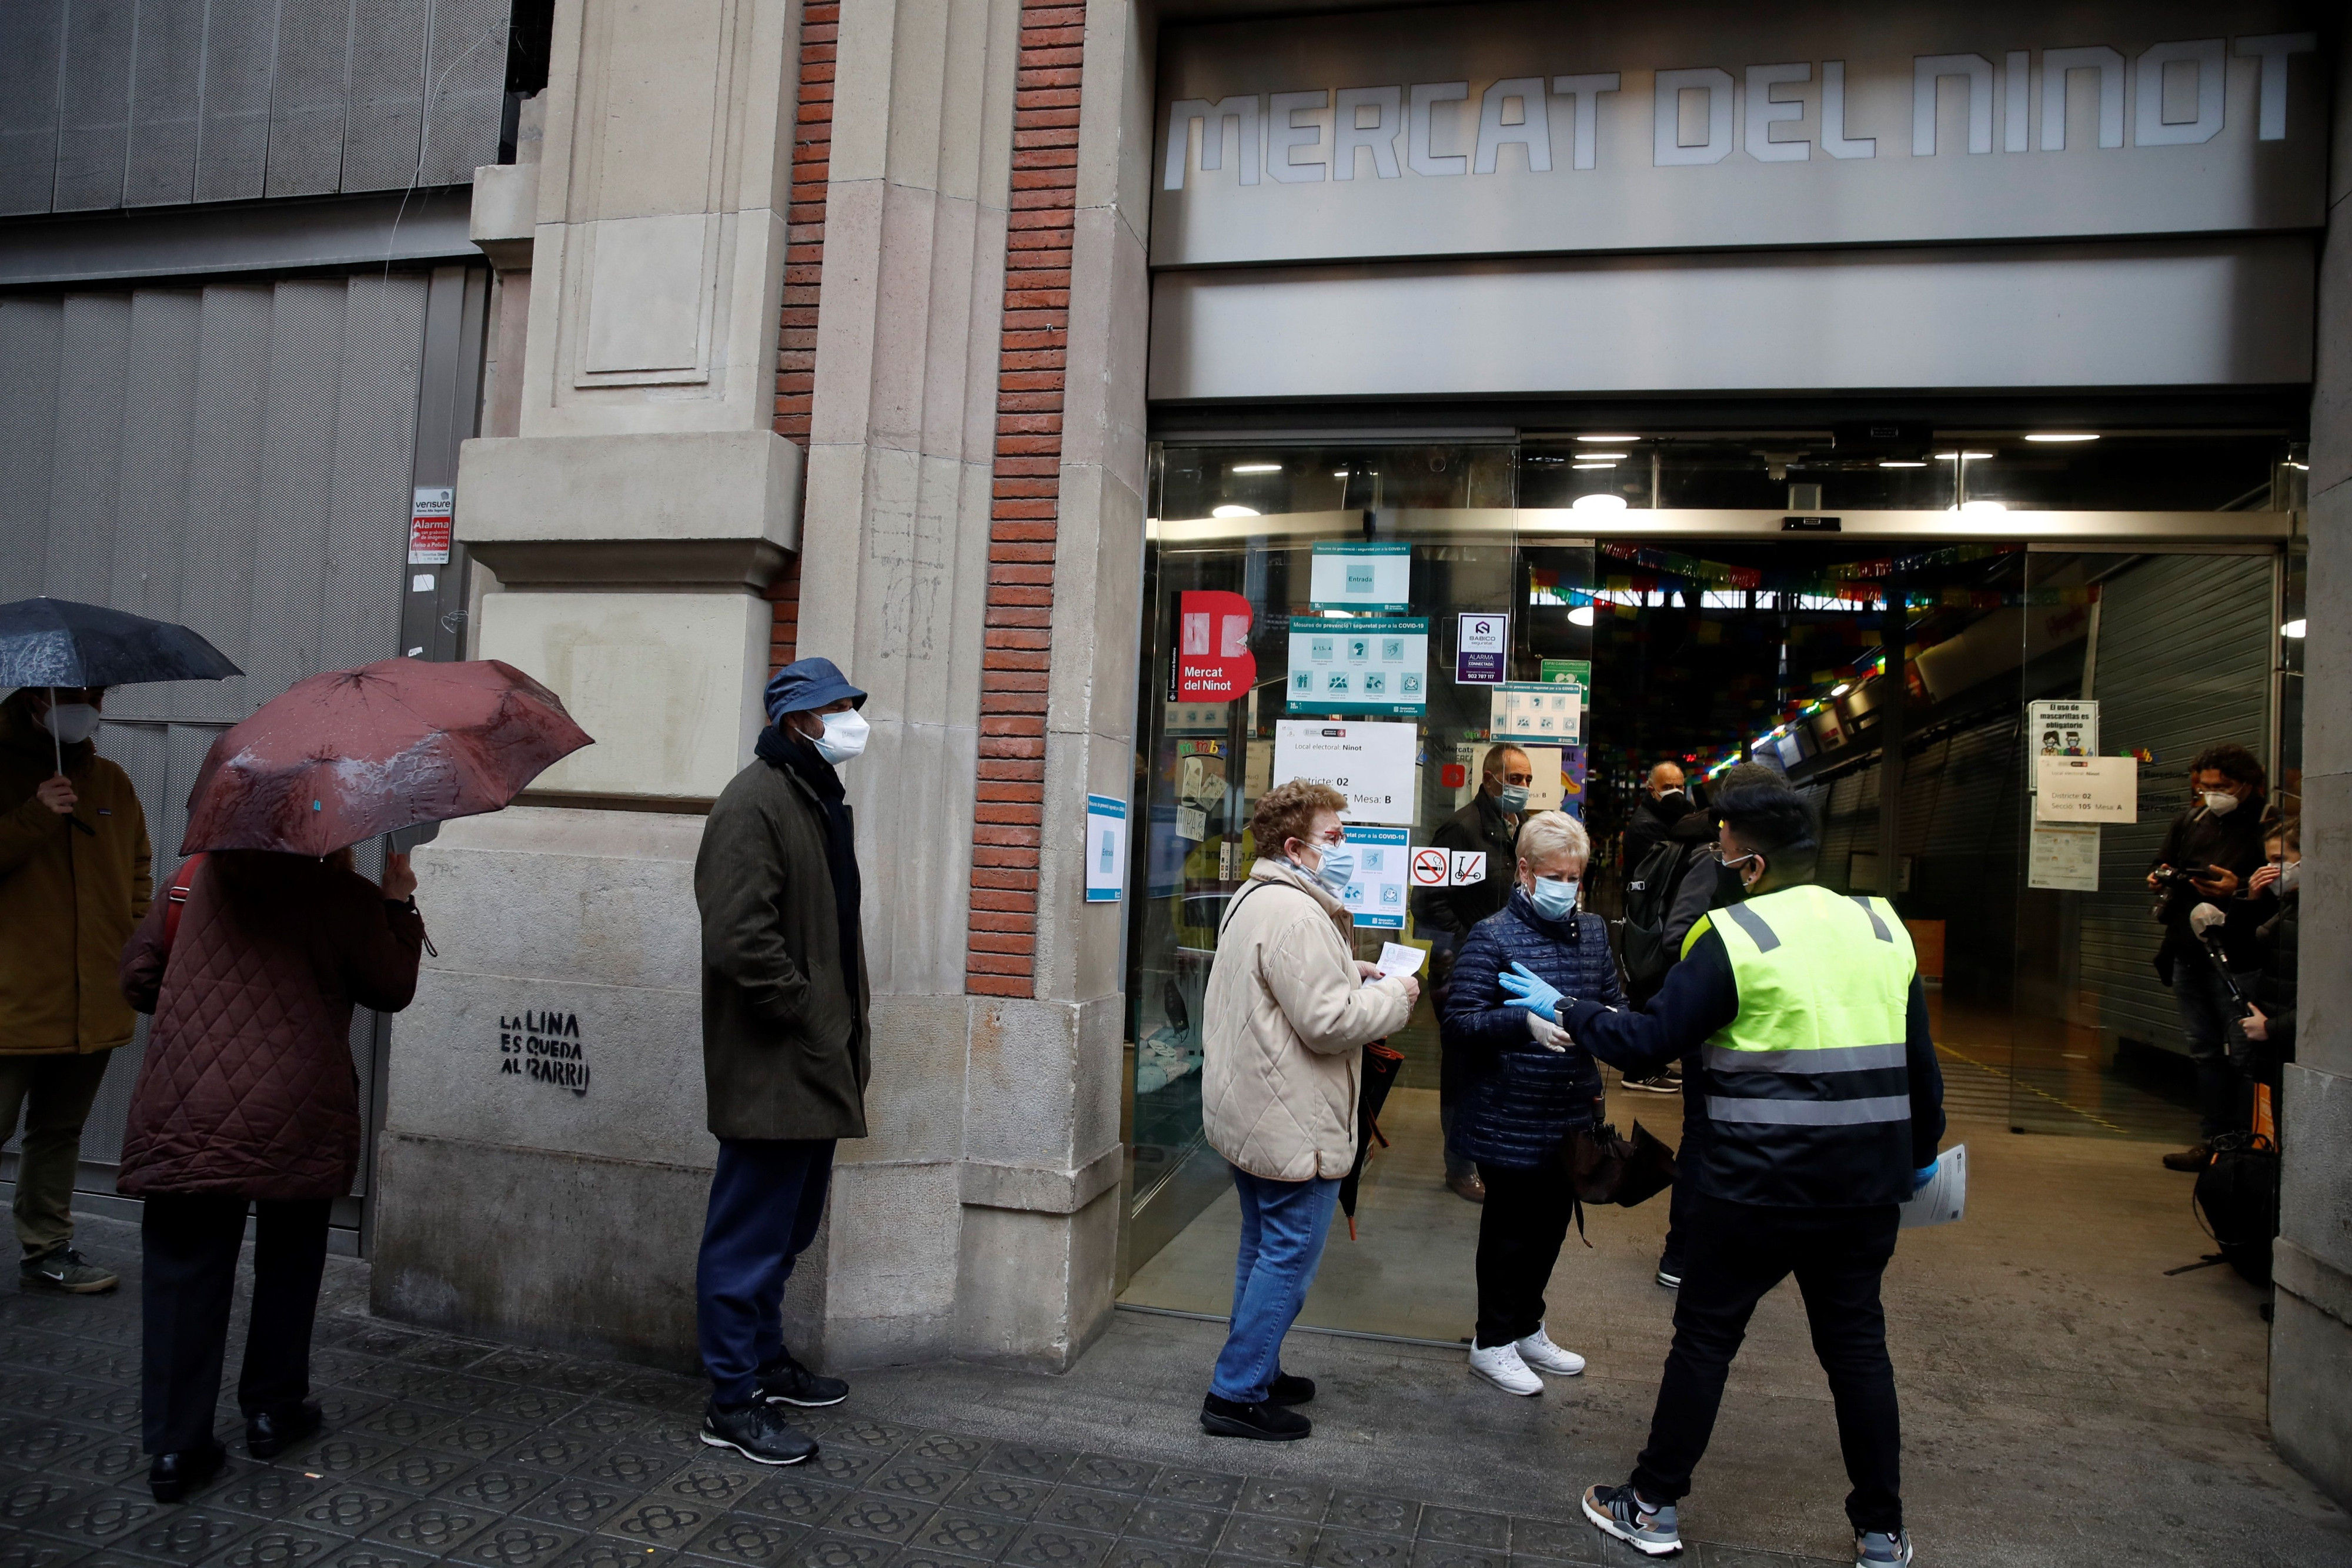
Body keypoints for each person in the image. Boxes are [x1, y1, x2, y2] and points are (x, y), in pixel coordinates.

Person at [1498, 783, 1943, 1567]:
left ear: (1755, 860)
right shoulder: (1885, 926)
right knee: (1858, 1350)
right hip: (1864, 1190)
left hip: (1751, 1187)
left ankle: (1653, 1502)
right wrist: (1920, 1154)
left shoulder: (1734, 933)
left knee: (1705, 1339)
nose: (1720, 860)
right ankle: (1882, 1529)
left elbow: (1648, 1043)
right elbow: (1921, 1069)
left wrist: (1567, 1007)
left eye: (1726, 847)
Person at [118, 845, 425, 1501]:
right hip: (296, 1104)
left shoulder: (193, 878)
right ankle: (272, 1410)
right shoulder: (346, 897)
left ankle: (176, 1449)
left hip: (188, 1100)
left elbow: (139, 978)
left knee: (183, 1270)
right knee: (290, 1260)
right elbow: (391, 987)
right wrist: (398, 902)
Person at [692, 656, 873, 1466]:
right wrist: (809, 1014)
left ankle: (766, 1362)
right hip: (776, 1062)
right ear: (799, 719)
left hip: (813, 1057)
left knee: (788, 1228)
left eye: (851, 705)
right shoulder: (754, 801)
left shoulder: (815, 798)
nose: (851, 720)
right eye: (837, 707)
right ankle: (731, 1400)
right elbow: (740, 940)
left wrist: (831, 1030)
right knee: (747, 1239)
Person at [1198, 780, 1417, 1441]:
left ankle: (1254, 1368)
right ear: (1294, 846)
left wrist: (1349, 968)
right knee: (1288, 1255)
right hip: (1292, 1119)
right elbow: (1327, 1022)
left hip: (1255, 1112)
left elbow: (1285, 980)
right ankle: (1235, 1396)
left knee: (1262, 1249)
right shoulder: (1297, 914)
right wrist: (1399, 997)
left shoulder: (1257, 896)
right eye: (1334, 836)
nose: (1346, 847)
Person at [1441, 811, 1618, 1397]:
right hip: (1506, 1112)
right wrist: (1523, 1022)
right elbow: (1460, 1021)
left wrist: (1607, 1023)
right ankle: (1490, 1341)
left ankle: (1526, 1328)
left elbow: (1614, 1002)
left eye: (1576, 876)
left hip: (1568, 1110)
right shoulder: (1491, 935)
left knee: (1550, 1227)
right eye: (1556, 874)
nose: (1567, 887)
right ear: (1524, 871)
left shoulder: (1592, 933)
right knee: (1509, 1230)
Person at [0, 685, 151, 1295]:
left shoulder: (110, 782)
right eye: (75, 694)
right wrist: (35, 814)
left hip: (94, 996)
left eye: (98, 695)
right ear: (37, 697)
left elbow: (137, 867)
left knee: (59, 1129)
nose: (90, 705)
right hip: (13, 994)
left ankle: (48, 1249)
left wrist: (132, 937)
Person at [1643, 760, 1785, 1289]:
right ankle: (1682, 1251)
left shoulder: (1778, 866)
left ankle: (1734, 1246)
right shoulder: (1714, 862)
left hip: (1765, 1026)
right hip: (1717, 1026)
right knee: (1704, 1134)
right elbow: (1678, 936)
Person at [1416, 743, 1533, 1202]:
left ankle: (1490, 1153)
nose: (1523, 787)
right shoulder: (1461, 828)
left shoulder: (1516, 828)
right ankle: (1459, 1165)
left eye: (1527, 779)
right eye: (1514, 778)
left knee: (1498, 1066)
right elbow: (1428, 901)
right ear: (1489, 779)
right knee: (1463, 1070)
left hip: (1506, 968)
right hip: (1464, 968)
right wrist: (1471, 947)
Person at [2146, 743, 2269, 1172]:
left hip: (2238, 954)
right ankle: (2215, 1139)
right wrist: (2162, 877)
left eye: (2224, 786)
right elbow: (2164, 863)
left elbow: (2284, 886)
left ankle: (2248, 1143)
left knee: (2244, 1053)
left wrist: (2236, 890)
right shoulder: (2191, 820)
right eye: (2205, 787)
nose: (2214, 794)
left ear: (2249, 784)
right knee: (2203, 1049)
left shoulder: (2266, 825)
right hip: (2188, 946)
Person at [2234, 817, 2298, 1087]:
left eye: (2280, 859)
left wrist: (2271, 1029)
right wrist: (2251, 901)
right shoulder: (2287, 907)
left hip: (2286, 1041)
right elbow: (2244, 957)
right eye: (2269, 861)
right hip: (2275, 1046)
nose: (2272, 869)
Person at [1622, 761, 1690, 880]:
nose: (1675, 792)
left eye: (1679, 787)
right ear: (1652, 791)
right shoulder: (1645, 825)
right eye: (1667, 787)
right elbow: (1665, 869)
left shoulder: (1676, 815)